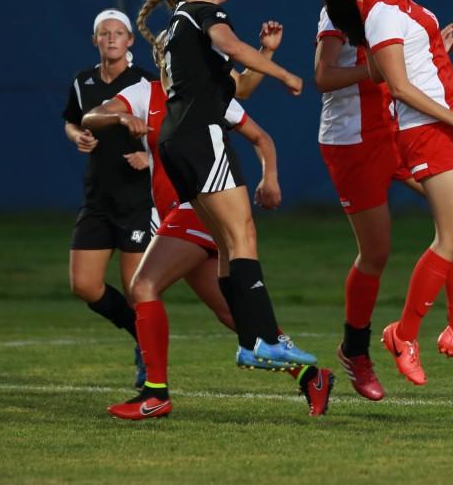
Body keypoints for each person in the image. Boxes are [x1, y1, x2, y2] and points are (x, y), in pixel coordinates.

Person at [82, 30, 333, 418]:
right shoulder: (143, 93)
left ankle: (155, 393)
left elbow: (260, 137)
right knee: (233, 314)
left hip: (197, 209)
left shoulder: (203, 96)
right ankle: (311, 376)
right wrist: (119, 115)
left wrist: (270, 178)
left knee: (143, 285)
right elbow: (91, 116)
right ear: (163, 55)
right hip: (182, 215)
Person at [316, 0, 453, 400]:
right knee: (378, 252)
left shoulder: (394, 9)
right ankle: (358, 349)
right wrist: (381, 67)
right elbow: (323, 75)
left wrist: (426, 47)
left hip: (398, 126)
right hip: (356, 139)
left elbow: (402, 69)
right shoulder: (350, 9)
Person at [137, 0, 317, 380]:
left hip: (177, 142)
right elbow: (234, 47)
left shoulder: (181, 29)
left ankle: (249, 343)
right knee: (243, 235)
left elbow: (239, 87)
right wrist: (285, 73)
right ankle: (266, 339)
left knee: (224, 243)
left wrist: (267, 54)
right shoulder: (204, 12)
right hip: (202, 137)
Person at [62, 9, 157, 388]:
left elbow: (167, 132)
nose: (112, 39)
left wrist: (150, 157)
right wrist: (76, 136)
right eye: (105, 33)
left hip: (136, 200)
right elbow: (72, 119)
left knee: (137, 290)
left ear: (131, 41)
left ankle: (150, 361)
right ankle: (143, 334)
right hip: (98, 198)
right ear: (95, 40)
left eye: (119, 33)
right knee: (84, 284)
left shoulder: (145, 83)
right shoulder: (83, 81)